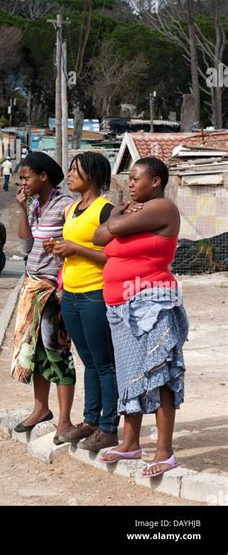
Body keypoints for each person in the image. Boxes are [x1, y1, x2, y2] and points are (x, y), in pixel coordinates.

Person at [93, 157, 189, 477]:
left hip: (151, 303)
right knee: (131, 377)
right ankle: (130, 444)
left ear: (156, 182)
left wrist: (117, 214)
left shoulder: (163, 208)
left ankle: (165, 451)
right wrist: (120, 214)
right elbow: (98, 237)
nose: (130, 184)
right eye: (129, 179)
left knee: (160, 376)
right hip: (121, 307)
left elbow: (112, 228)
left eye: (135, 179)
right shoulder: (136, 212)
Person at [44, 152, 119, 450]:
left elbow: (111, 257)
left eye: (76, 170)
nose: (70, 174)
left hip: (95, 294)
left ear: (93, 175)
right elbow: (75, 250)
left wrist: (75, 247)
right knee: (88, 361)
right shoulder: (71, 209)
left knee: (104, 364)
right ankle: (90, 421)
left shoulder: (107, 210)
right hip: (71, 295)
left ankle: (109, 426)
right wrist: (60, 248)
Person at [11, 152, 76, 439]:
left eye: (26, 177)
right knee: (36, 353)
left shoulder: (66, 206)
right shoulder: (37, 205)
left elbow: (76, 244)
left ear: (43, 176)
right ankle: (40, 409)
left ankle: (65, 421)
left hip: (54, 291)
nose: (22, 183)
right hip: (33, 287)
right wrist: (23, 209)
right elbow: (26, 245)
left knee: (58, 353)